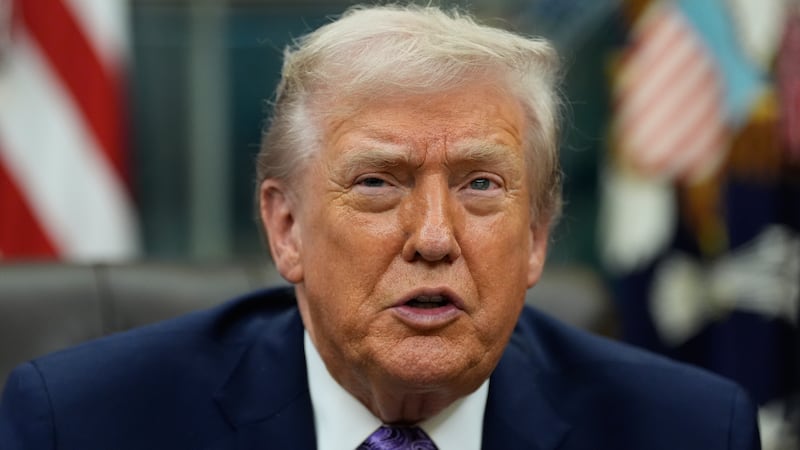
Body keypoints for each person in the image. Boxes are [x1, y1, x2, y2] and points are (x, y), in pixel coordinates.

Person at [0, 4, 760, 449]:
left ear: (536, 236)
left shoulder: (686, 431)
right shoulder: (86, 425)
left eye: (481, 185)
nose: (433, 236)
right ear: (286, 228)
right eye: (376, 184)